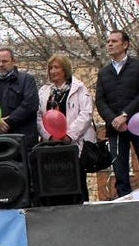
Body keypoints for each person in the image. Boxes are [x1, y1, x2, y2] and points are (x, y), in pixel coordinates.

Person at [95, 29, 139, 198]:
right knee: (120, 172)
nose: (109, 44)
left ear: (125, 44)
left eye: (114, 41)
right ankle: (125, 207)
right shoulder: (104, 73)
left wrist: (125, 115)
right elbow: (100, 101)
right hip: (116, 129)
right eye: (108, 41)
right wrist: (113, 120)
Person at [39, 54, 96, 202]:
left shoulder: (79, 88)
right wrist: (49, 136)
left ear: (65, 70)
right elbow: (39, 117)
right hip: (52, 145)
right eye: (50, 68)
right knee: (57, 183)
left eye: (56, 67)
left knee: (77, 181)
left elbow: (86, 113)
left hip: (74, 143)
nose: (53, 71)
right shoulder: (44, 92)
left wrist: (69, 135)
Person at [0, 48, 39, 151]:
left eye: (5, 61)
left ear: (13, 61)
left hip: (24, 143)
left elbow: (30, 105)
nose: (1, 64)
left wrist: (7, 122)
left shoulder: (27, 80)